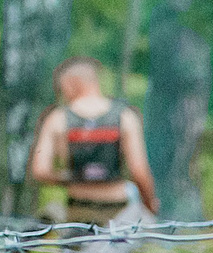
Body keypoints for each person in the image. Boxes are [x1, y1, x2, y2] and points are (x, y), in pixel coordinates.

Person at [26, 57, 160, 220]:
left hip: (78, 208)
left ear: (69, 83)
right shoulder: (126, 116)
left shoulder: (56, 119)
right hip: (118, 211)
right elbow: (139, 171)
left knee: (74, 244)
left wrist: (75, 176)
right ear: (95, 80)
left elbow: (40, 171)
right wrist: (149, 204)